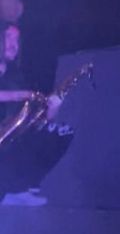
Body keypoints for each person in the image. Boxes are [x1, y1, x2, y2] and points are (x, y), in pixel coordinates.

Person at [0, 23, 69, 206]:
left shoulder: (16, 77)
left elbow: (35, 119)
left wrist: (53, 106)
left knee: (60, 133)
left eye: (17, 40)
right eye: (8, 37)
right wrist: (18, 95)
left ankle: (16, 188)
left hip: (8, 138)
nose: (14, 44)